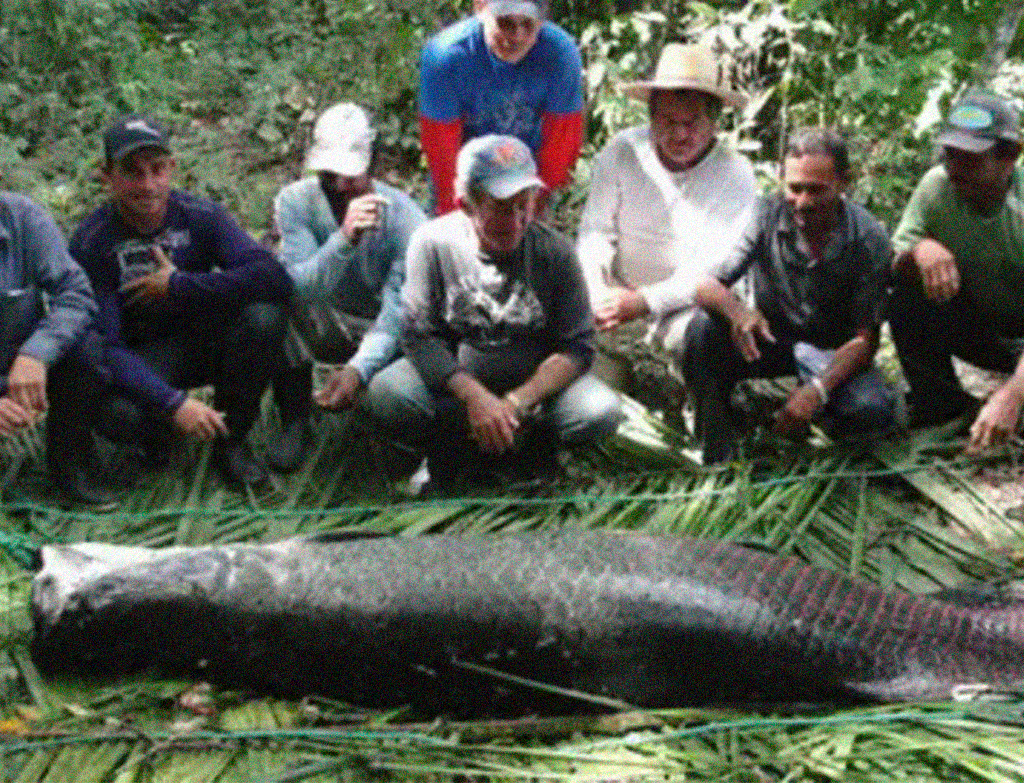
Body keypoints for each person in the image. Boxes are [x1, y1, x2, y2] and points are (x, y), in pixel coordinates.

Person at [367, 135, 622, 491]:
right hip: (455, 384)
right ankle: (444, 450)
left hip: (533, 388)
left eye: (525, 204)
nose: (517, 220)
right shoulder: (432, 244)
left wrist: (516, 402)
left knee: (600, 410)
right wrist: (475, 397)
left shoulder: (556, 252)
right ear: (466, 203)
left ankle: (531, 447)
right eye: (502, 207)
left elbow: (577, 347)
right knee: (389, 392)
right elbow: (419, 336)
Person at [69, 115, 293, 486]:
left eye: (157, 170)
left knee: (264, 319)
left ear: (172, 168)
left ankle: (231, 441)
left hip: (206, 342)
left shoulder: (201, 217)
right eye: (132, 172)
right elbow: (104, 345)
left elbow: (273, 278)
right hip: (143, 355)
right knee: (116, 413)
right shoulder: (95, 241)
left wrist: (181, 285)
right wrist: (171, 403)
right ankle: (158, 437)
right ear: (107, 176)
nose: (148, 185)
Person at [682, 128, 899, 464]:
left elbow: (864, 342)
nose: (804, 202)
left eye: (817, 190)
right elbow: (704, 285)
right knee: (701, 329)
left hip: (833, 353)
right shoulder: (765, 214)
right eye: (794, 189)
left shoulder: (868, 239)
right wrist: (738, 312)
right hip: (773, 340)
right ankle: (716, 439)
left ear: (844, 183)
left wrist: (818, 390)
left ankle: (813, 424)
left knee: (870, 413)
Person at [577, 42, 756, 390]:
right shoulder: (624, 150)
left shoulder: (736, 173)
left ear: (714, 120)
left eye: (692, 122)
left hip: (689, 306)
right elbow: (594, 230)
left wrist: (644, 302)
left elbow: (714, 272)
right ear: (651, 115)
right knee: (593, 380)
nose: (679, 135)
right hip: (618, 292)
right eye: (668, 121)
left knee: (701, 338)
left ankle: (704, 404)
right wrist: (596, 287)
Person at [267, 103, 427, 472]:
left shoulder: (407, 221)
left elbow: (396, 313)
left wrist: (360, 369)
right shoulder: (296, 202)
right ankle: (295, 418)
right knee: (273, 300)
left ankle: (390, 432)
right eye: (329, 173)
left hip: (389, 334)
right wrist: (343, 240)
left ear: (372, 167)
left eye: (350, 176)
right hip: (330, 315)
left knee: (404, 362)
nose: (340, 186)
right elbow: (299, 288)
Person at [890, 90, 1024, 453]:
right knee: (901, 290)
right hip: (981, 329)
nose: (954, 167)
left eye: (970, 159)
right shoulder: (937, 187)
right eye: (950, 154)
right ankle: (942, 406)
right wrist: (919, 249)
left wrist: (1014, 392)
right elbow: (891, 260)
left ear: (1009, 157)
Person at [419, 0, 584, 215]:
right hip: (466, 169)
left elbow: (561, 141)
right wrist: (456, 214)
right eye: (505, 23)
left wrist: (538, 210)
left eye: (528, 24)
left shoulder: (561, 54)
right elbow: (441, 148)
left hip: (527, 170)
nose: (517, 36)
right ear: (480, 10)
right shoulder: (446, 56)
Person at [0, 193, 108, 503]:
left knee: (85, 348)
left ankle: (70, 468)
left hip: (19, 367)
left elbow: (76, 294)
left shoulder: (24, 219)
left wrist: (36, 354)